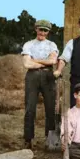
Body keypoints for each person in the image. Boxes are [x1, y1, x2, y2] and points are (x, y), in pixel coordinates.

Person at [21, 19, 59, 149]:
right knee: (30, 107)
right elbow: (27, 63)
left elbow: (53, 61)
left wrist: (35, 60)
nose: (42, 32)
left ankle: (50, 139)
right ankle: (28, 139)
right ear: (36, 29)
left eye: (45, 30)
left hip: (48, 76)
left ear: (48, 32)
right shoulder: (29, 44)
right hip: (32, 76)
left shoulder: (51, 45)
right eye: (40, 29)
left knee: (50, 107)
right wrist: (44, 61)